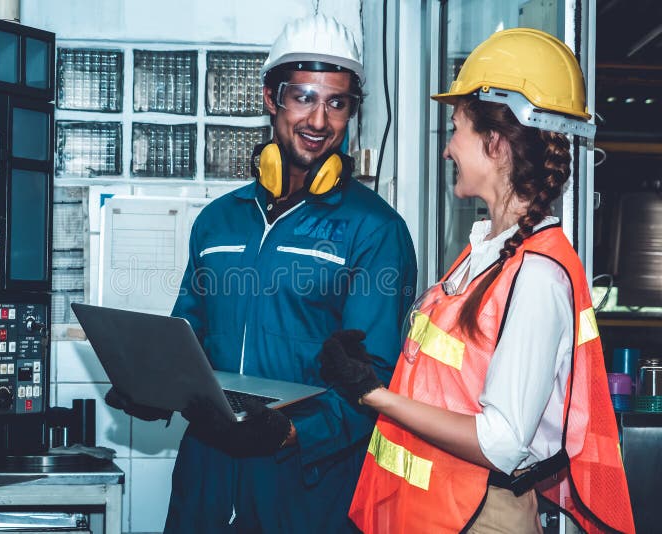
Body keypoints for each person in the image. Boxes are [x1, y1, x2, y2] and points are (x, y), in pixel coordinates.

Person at [107, 13, 416, 533]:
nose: (319, 120)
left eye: (337, 103)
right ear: (272, 98)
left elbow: (376, 378)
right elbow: (190, 333)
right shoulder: (217, 221)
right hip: (206, 483)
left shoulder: (375, 229)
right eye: (304, 97)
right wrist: (154, 386)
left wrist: (288, 433)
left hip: (307, 493)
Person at [319, 28, 635, 534]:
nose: (448, 150)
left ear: (495, 143)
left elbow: (501, 442)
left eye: (456, 129)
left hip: (480, 517)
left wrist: (373, 394)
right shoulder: (485, 253)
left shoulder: (538, 276)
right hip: (440, 510)